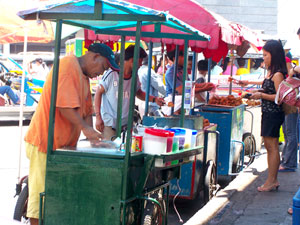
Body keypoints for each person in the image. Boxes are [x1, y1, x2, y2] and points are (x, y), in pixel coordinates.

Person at [24, 43, 118, 225]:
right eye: (103, 67)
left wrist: (94, 140)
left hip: (61, 148)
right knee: (41, 197)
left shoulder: (85, 77)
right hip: (44, 143)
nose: (101, 73)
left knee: (57, 197)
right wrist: (86, 129)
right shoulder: (68, 66)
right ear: (94, 57)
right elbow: (65, 107)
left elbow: (87, 111)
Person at [236, 40, 286, 192]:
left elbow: (279, 97)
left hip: (273, 114)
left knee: (272, 147)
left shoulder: (278, 74)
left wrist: (261, 95)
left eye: (265, 55)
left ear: (274, 55)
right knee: (270, 147)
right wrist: (250, 86)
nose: (263, 58)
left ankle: (272, 180)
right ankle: (271, 179)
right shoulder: (272, 72)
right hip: (268, 113)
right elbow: (266, 84)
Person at [94, 45, 165, 141]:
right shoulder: (112, 74)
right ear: (132, 60)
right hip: (110, 125)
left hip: (126, 124)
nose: (140, 65)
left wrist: (154, 99)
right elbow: (98, 93)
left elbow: (138, 92)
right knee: (110, 151)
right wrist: (98, 117)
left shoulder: (134, 76)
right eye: (139, 61)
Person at [279, 56, 299, 172]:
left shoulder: (286, 61)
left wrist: (293, 69)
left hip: (291, 102)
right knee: (287, 132)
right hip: (288, 101)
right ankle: (286, 160)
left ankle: (289, 163)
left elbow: (291, 73)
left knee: (290, 132)